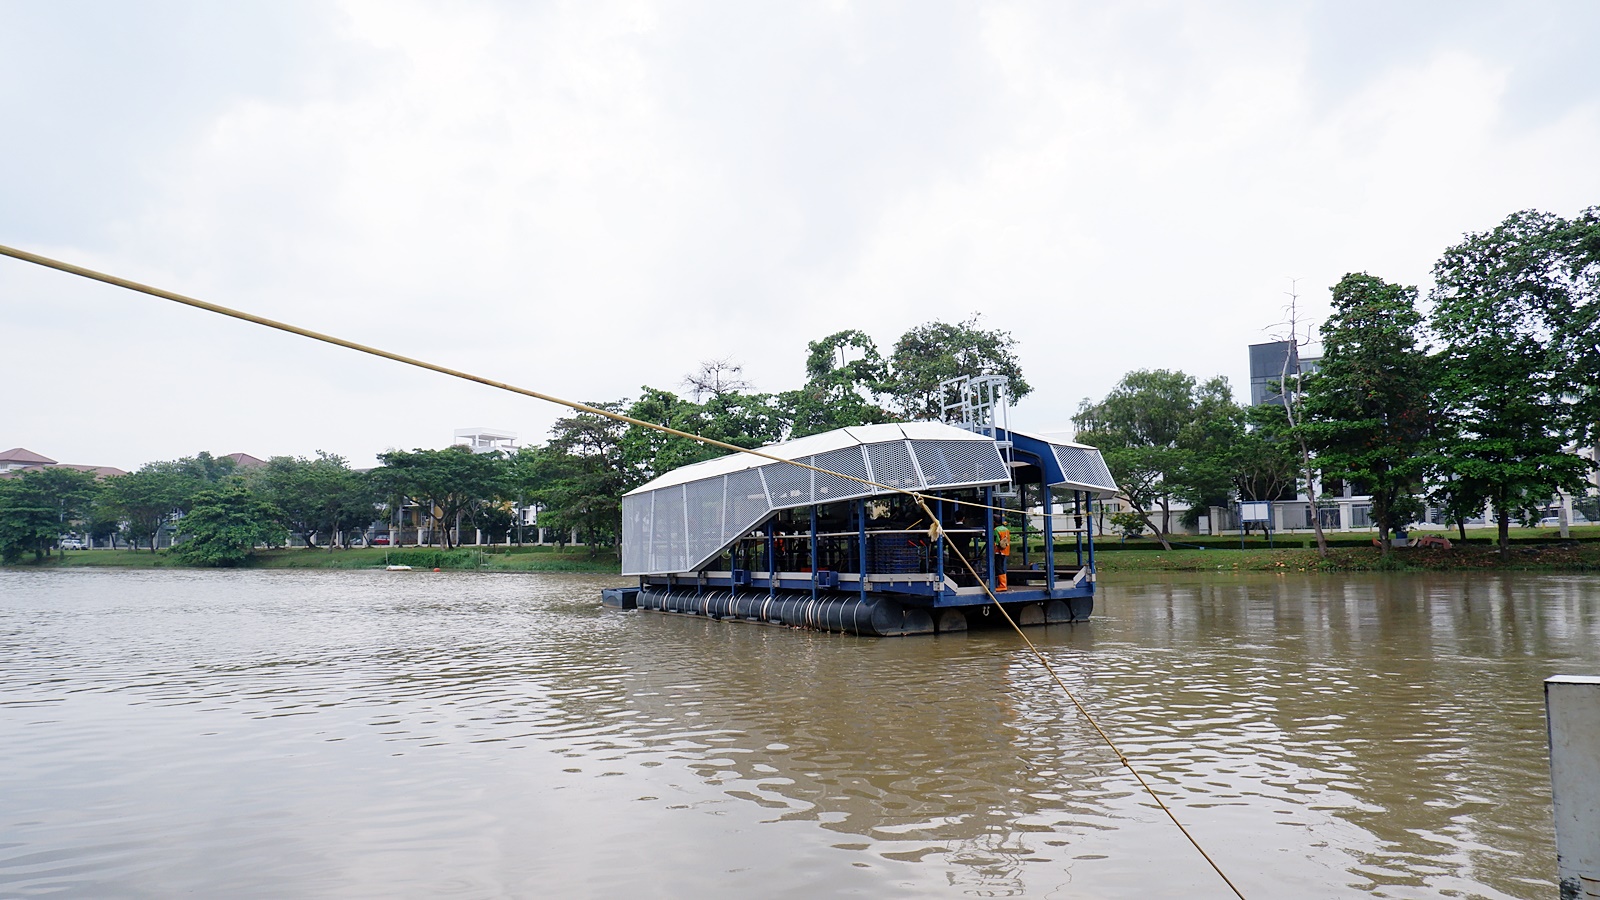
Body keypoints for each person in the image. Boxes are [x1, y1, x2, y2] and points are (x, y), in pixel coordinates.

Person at [993, 522, 1011, 591]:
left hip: (999, 551)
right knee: (1001, 567)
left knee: (998, 568)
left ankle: (1002, 585)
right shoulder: (1006, 529)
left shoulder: (996, 530)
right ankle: (1003, 584)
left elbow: (997, 541)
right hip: (1005, 551)